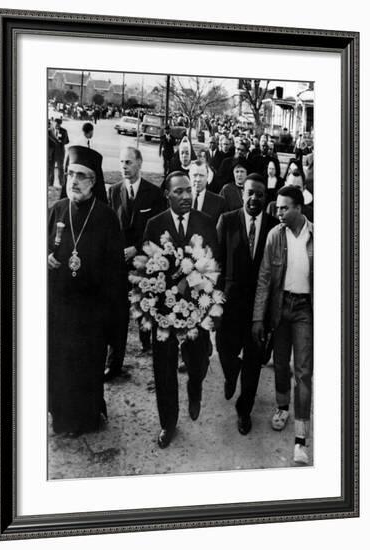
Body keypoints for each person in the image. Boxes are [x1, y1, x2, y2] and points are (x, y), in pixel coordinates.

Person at [47, 146, 126, 436]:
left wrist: (112, 321)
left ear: (94, 182)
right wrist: (45, 258)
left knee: (86, 366)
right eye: (70, 174)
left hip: (91, 312)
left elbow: (116, 273)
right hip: (59, 308)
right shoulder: (56, 209)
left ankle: (86, 417)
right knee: (59, 364)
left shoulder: (106, 218)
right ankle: (62, 416)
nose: (74, 181)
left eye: (82, 176)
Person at [143, 172, 218, 449]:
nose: (186, 196)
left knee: (197, 361)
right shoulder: (154, 224)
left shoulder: (206, 223)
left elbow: (214, 265)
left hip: (196, 309)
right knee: (163, 368)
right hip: (164, 310)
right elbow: (145, 267)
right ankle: (168, 422)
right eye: (179, 192)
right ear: (168, 194)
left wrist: (192, 282)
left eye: (189, 191)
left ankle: (195, 387)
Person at [252, 186, 313, 464]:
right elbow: (265, 278)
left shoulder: (317, 236)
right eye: (277, 207)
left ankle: (301, 440)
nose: (278, 212)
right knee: (279, 364)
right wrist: (258, 317)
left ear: (299, 208)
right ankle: (281, 407)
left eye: (284, 208)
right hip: (280, 308)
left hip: (304, 311)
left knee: (302, 372)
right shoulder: (274, 236)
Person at [215, 174, 278, 435]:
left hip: (257, 311)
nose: (254, 198)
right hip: (229, 307)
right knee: (226, 352)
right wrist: (214, 301)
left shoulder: (275, 227)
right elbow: (216, 262)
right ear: (243, 193)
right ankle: (231, 375)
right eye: (250, 192)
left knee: (253, 363)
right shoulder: (227, 221)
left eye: (260, 194)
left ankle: (244, 410)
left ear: (266, 198)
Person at [107, 147, 165, 378]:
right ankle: (114, 362)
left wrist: (138, 249)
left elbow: (159, 230)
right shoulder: (113, 191)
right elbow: (109, 228)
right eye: (122, 162)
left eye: (129, 162)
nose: (124, 167)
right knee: (118, 314)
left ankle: (150, 349)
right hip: (119, 264)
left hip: (143, 262)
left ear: (140, 163)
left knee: (146, 308)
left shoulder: (153, 193)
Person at [189, 160, 226, 226]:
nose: (198, 179)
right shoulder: (179, 199)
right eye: (195, 175)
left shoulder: (219, 202)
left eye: (201, 175)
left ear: (207, 177)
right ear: (189, 176)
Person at [48, 117, 69, 187]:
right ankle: (50, 184)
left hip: (60, 152)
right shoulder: (50, 131)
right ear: (53, 123)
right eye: (56, 124)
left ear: (60, 124)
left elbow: (67, 141)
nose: (57, 125)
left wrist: (60, 142)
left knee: (60, 168)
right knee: (50, 167)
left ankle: (62, 183)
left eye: (58, 124)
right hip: (52, 152)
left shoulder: (64, 131)